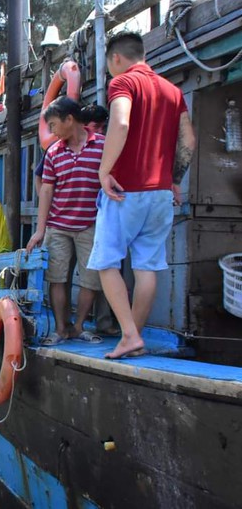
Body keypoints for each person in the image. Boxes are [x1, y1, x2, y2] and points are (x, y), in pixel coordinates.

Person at [88, 31, 196, 359]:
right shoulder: (173, 91)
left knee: (107, 262)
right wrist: (174, 179)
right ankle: (132, 338)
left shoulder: (123, 83)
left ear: (116, 58)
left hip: (125, 191)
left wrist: (104, 171)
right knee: (147, 265)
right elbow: (188, 141)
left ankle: (130, 335)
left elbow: (119, 123)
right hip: (162, 193)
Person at [26, 97, 104, 344]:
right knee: (57, 278)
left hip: (91, 225)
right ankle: (61, 329)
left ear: (69, 119)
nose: (52, 131)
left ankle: (79, 327)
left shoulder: (103, 145)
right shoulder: (53, 152)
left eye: (53, 124)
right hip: (58, 226)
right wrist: (40, 230)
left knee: (90, 280)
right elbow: (47, 191)